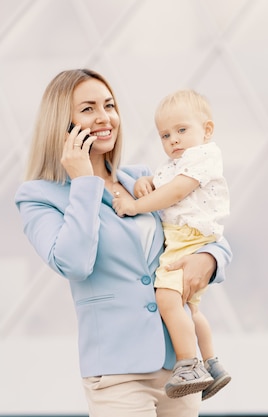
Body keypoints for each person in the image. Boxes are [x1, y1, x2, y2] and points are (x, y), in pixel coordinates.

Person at [14, 69, 232, 417]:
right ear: (62, 123)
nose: (105, 117)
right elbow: (74, 263)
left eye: (110, 105)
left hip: (180, 367)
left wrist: (210, 258)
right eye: (88, 109)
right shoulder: (39, 196)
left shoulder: (143, 180)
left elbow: (201, 225)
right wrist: (84, 181)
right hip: (118, 373)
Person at [112, 89, 231, 401]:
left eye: (181, 130)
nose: (173, 140)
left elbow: (175, 192)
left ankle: (188, 364)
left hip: (186, 239)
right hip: (190, 238)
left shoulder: (203, 156)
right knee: (191, 309)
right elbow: (160, 185)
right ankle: (212, 363)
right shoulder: (174, 162)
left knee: (166, 297)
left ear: (207, 130)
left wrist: (136, 205)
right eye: (165, 135)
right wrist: (142, 185)